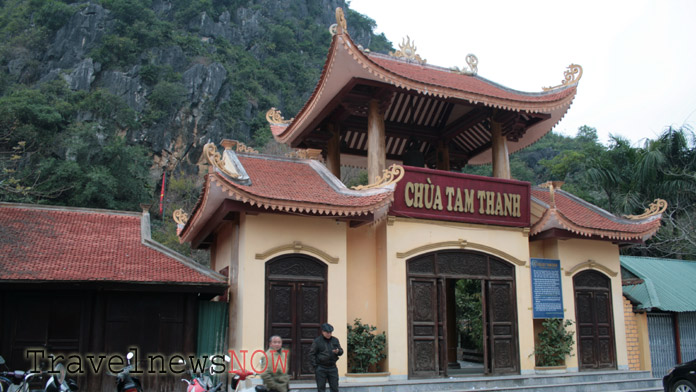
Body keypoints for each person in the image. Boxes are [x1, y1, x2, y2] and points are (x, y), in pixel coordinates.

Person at [309, 323, 343, 392]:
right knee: (321, 389)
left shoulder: (335, 340)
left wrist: (338, 351)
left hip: (332, 367)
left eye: (330, 332)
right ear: (323, 332)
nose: (329, 334)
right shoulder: (317, 341)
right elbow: (312, 354)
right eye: (327, 332)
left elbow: (341, 351)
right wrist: (315, 366)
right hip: (321, 368)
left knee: (335, 388)